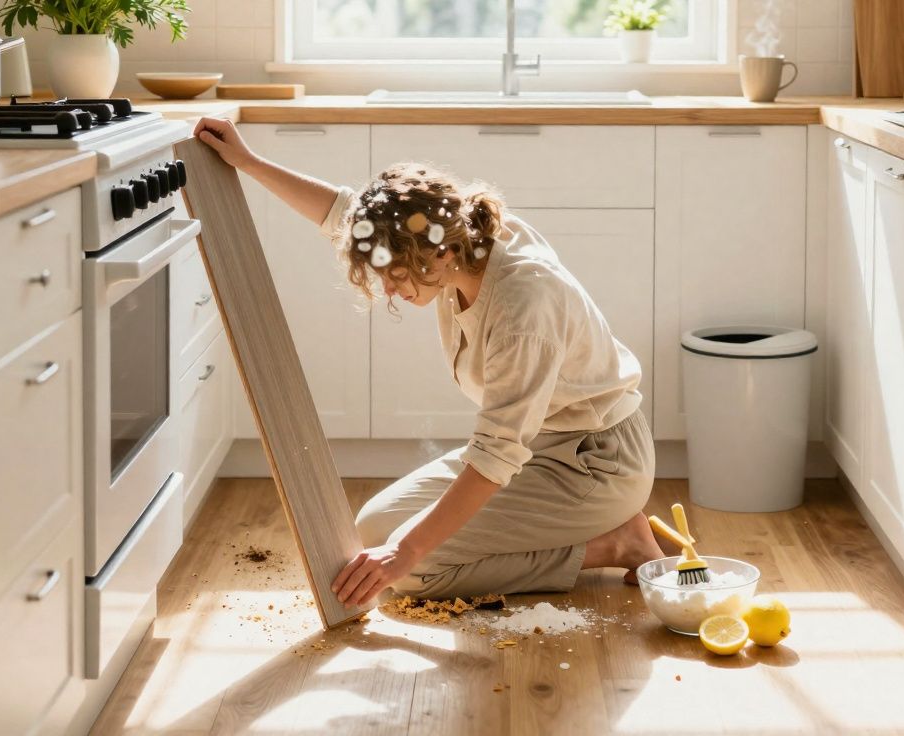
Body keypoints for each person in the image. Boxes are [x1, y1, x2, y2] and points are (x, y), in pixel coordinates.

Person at [193, 117, 665, 607]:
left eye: (394, 273)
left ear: (437, 251)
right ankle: (606, 532)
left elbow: (494, 455)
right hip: (543, 444)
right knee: (373, 531)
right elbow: (342, 212)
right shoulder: (457, 241)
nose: (389, 288)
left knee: (415, 571)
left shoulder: (524, 304)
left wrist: (407, 550)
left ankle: (615, 542)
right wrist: (247, 162)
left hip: (597, 463)